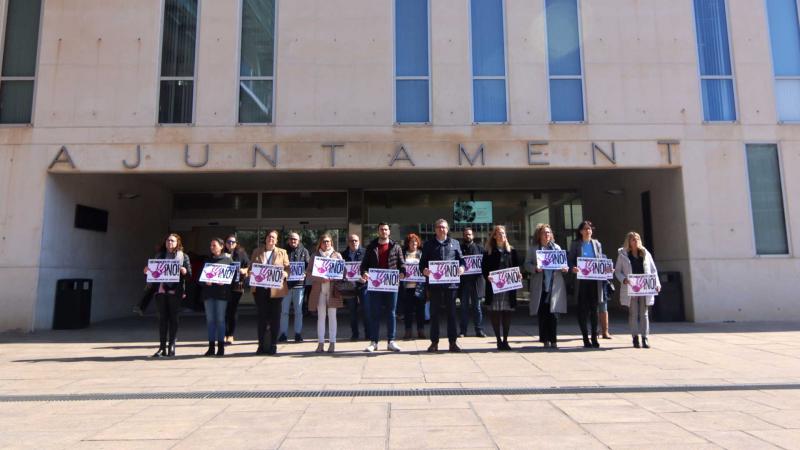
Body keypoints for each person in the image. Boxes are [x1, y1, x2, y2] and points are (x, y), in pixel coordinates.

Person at [419, 219, 465, 353]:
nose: (441, 229)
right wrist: (424, 271)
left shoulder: (455, 243)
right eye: (439, 227)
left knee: (451, 314)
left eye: (444, 227)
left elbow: (462, 261)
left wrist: (462, 268)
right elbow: (422, 264)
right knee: (434, 314)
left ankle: (452, 343)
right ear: (435, 229)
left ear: (447, 229)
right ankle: (434, 342)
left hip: (451, 285)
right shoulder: (428, 244)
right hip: (435, 286)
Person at [361, 223, 405, 352]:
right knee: (375, 313)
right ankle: (374, 342)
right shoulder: (371, 246)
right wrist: (364, 272)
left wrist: (402, 272)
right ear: (378, 231)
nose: (384, 231)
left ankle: (391, 341)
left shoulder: (396, 246)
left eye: (386, 229)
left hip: (391, 284)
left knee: (391, 313)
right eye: (381, 229)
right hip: (375, 285)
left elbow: (402, 264)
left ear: (389, 232)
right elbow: (364, 265)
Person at [144, 234, 191, 357]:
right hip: (161, 291)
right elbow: (153, 273)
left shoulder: (183, 257)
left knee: (173, 318)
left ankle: (172, 345)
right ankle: (162, 347)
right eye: (167, 240)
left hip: (175, 292)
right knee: (162, 319)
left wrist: (184, 271)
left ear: (177, 243)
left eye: (172, 240)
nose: (169, 242)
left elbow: (189, 275)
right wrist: (147, 271)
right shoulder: (159, 256)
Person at [524, 224, 568, 349]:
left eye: (548, 232)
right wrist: (534, 268)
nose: (547, 235)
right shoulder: (533, 249)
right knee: (543, 313)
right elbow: (526, 264)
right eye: (544, 232)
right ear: (539, 235)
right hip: (541, 285)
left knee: (553, 314)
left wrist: (565, 268)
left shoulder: (557, 248)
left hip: (554, 285)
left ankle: (553, 340)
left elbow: (563, 264)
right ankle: (544, 339)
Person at [615, 231, 661, 349]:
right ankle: (635, 337)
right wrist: (624, 279)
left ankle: (645, 337)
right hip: (631, 287)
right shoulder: (623, 254)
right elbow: (617, 271)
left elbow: (653, 270)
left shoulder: (645, 253)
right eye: (633, 239)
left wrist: (657, 283)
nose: (636, 241)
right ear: (629, 241)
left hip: (644, 287)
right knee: (633, 313)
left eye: (637, 239)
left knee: (644, 313)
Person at [568, 220, 609, 349]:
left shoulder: (596, 244)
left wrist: (607, 268)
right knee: (583, 310)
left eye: (590, 229)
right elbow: (569, 261)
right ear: (580, 231)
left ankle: (594, 336)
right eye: (585, 229)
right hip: (581, 282)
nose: (588, 231)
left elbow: (601, 259)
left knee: (594, 309)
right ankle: (585, 337)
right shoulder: (576, 244)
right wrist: (572, 268)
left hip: (594, 282)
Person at [250, 230, 290, 355]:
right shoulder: (257, 251)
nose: (271, 239)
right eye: (269, 237)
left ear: (276, 240)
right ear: (265, 238)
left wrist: (285, 273)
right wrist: (249, 272)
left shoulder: (282, 252)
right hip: (260, 289)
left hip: (276, 291)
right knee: (261, 317)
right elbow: (251, 267)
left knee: (275, 318)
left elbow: (288, 268)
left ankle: (273, 344)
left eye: (273, 237)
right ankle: (261, 345)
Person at [481, 225, 520, 351]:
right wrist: (488, 277)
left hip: (508, 287)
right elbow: (484, 269)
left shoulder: (511, 250)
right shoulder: (488, 251)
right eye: (498, 233)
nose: (501, 235)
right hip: (495, 287)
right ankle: (498, 339)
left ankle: (505, 340)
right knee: (495, 313)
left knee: (507, 312)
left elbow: (517, 267)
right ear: (494, 236)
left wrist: (519, 274)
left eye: (503, 233)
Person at [307, 233, 344, 353]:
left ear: (331, 243)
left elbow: (343, 272)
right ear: (320, 243)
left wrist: (335, 276)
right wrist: (320, 278)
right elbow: (308, 273)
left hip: (333, 290)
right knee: (321, 317)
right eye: (324, 241)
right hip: (319, 290)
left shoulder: (337, 255)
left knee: (332, 316)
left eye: (328, 241)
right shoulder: (314, 256)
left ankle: (332, 343)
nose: (326, 243)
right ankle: (320, 343)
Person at [200, 238, 233, 357]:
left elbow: (234, 278)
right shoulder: (207, 260)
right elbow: (200, 278)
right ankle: (211, 347)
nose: (212, 247)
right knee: (210, 320)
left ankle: (221, 347)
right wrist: (205, 282)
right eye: (211, 245)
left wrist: (225, 282)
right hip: (208, 294)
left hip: (221, 294)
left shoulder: (228, 260)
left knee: (220, 319)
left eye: (214, 245)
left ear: (221, 246)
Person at [281, 232, 309, 342]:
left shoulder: (304, 251)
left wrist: (305, 273)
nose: (293, 241)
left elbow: (308, 266)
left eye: (295, 239)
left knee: (298, 311)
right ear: (288, 240)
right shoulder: (282, 251)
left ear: (299, 240)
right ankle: (283, 334)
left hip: (299, 286)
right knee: (284, 311)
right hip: (285, 285)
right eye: (291, 239)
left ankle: (298, 333)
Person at [340, 234, 369, 341]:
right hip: (349, 287)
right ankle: (355, 334)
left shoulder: (366, 252)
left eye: (356, 240)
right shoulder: (343, 255)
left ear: (359, 241)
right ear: (348, 242)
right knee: (352, 312)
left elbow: (370, 267)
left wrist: (365, 276)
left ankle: (368, 333)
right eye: (351, 241)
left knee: (366, 310)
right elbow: (340, 270)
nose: (354, 243)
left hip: (363, 285)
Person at [224, 234, 250, 345]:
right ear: (225, 243)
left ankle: (230, 334)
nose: (231, 244)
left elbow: (249, 266)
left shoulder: (241, 254)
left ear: (236, 243)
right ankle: (223, 334)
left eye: (233, 242)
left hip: (236, 286)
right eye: (229, 242)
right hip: (223, 286)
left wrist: (245, 270)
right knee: (223, 311)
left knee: (232, 310)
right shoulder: (221, 254)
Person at [459, 228, 486, 338]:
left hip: (476, 282)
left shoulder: (480, 248)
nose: (468, 236)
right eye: (465, 235)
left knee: (477, 308)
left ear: (473, 236)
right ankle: (463, 331)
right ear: (463, 236)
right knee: (463, 308)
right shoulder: (459, 249)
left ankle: (479, 330)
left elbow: (485, 263)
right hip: (464, 283)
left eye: (469, 234)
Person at [401, 233, 426, 340]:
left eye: (415, 242)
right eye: (412, 242)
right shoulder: (403, 254)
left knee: (421, 310)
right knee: (408, 311)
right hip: (407, 288)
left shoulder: (422, 254)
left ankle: (421, 331)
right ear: (408, 243)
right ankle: (408, 331)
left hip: (419, 287)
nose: (414, 244)